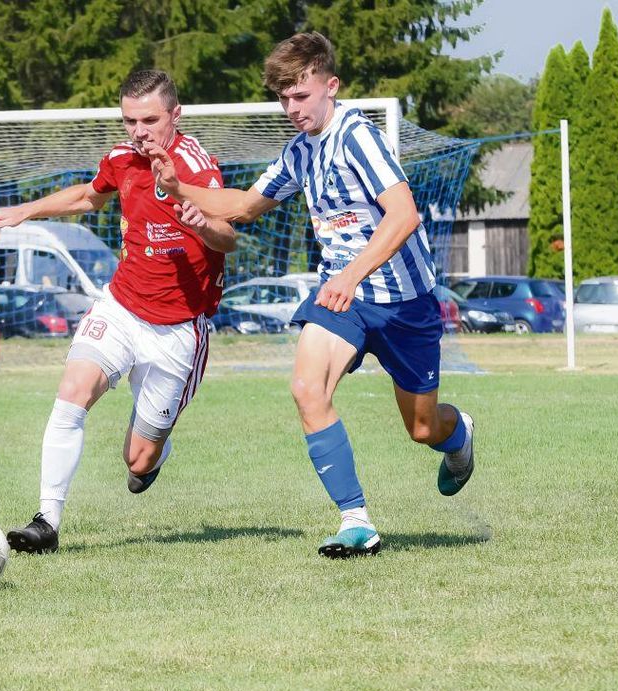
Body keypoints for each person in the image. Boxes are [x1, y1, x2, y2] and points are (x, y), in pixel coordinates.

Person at [146, 32, 475, 559]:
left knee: (421, 427)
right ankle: (356, 521)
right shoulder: (300, 152)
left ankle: (458, 437)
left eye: (301, 95)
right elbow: (246, 205)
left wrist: (352, 274)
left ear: (331, 86)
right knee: (306, 388)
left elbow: (404, 214)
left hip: (405, 302)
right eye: (284, 98)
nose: (292, 107)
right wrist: (178, 185)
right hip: (343, 299)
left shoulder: (357, 137)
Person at [0, 69, 237, 554]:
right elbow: (86, 196)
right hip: (121, 307)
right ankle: (46, 521)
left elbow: (230, 236)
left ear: (175, 116)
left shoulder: (198, 168)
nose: (139, 131)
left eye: (149, 120)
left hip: (180, 331)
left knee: (137, 461)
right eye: (129, 121)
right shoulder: (122, 159)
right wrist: (23, 211)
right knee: (72, 393)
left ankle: (153, 455)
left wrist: (204, 224)